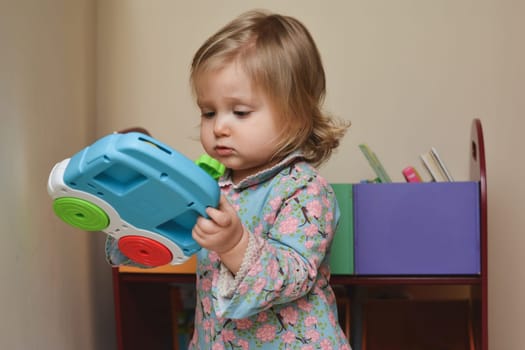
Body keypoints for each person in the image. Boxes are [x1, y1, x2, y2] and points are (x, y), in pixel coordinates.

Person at [187, 9, 351, 349]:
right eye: (208, 112)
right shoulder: (208, 185)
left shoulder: (304, 189)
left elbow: (293, 275)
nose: (219, 127)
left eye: (241, 112)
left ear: (295, 116)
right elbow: (170, 242)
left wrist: (234, 245)